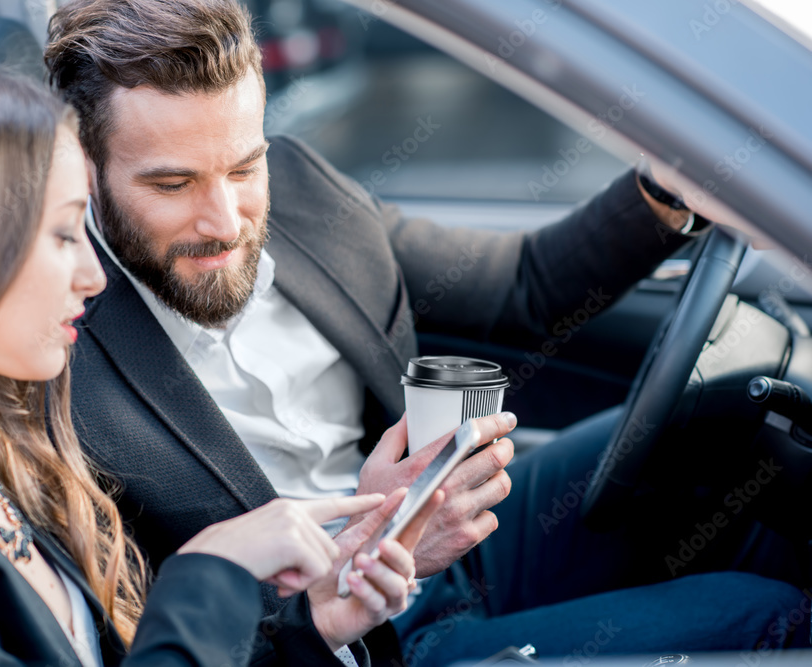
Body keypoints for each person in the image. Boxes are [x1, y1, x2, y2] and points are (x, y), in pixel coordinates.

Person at [44, 0, 810, 663]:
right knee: (776, 620)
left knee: (720, 438)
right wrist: (352, 568)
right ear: (83, 165)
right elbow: (151, 640)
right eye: (171, 184)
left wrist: (665, 192)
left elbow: (520, 286)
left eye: (244, 168)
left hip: (458, 545)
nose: (225, 221)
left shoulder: (306, 191)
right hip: (359, 639)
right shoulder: (52, 355)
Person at [0, 59, 439, 666]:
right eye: (62, 234)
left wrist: (315, 625)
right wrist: (209, 573)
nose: (92, 275)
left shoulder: (3, 448)